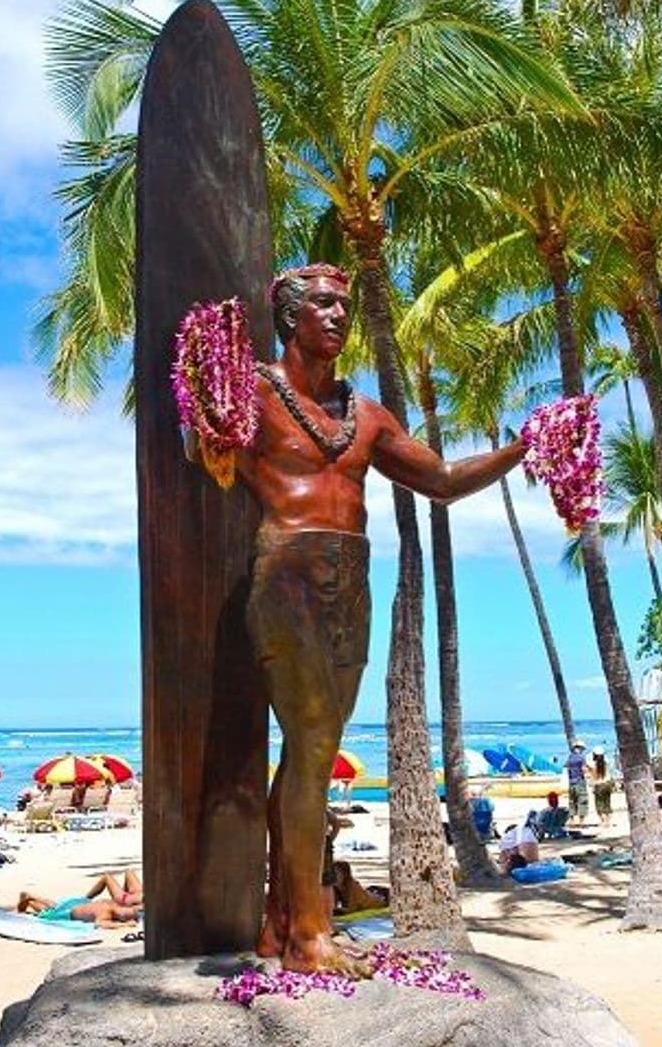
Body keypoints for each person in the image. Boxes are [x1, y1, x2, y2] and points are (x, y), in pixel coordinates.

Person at [186, 263, 527, 974]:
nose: (339, 316)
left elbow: (439, 481)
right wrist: (207, 421)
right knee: (311, 748)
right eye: (323, 305)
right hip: (286, 573)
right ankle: (311, 934)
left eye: (345, 306)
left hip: (353, 582)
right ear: (289, 318)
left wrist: (522, 447)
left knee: (313, 750)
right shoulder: (249, 390)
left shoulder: (365, 414)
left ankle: (285, 926)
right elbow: (205, 450)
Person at [17, 891, 140, 929]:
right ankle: (30, 901)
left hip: (79, 903)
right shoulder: (106, 913)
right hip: (70, 913)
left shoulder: (111, 903)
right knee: (46, 914)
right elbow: (100, 924)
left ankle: (35, 897)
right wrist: (124, 925)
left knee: (55, 906)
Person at [565, 738, 590, 828]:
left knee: (572, 802)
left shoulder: (570, 757)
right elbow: (584, 770)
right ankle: (581, 822)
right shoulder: (581, 758)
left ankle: (572, 820)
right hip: (579, 781)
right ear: (580, 748)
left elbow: (566, 767)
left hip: (571, 782)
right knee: (582, 801)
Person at [591, 745, 614, 827]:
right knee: (607, 803)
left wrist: (593, 787)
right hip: (608, 784)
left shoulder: (594, 765)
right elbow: (611, 773)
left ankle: (603, 821)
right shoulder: (608, 762)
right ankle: (608, 821)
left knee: (599, 804)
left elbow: (595, 778)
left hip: (599, 785)